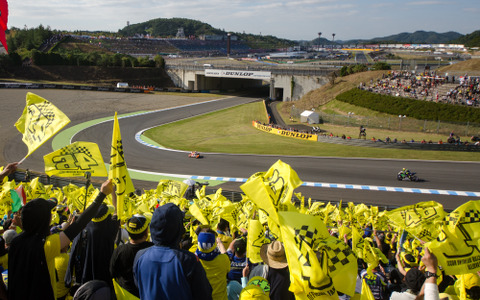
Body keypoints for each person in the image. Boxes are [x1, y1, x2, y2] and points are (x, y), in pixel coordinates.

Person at [8, 179, 113, 300]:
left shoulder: (16, 242)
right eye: (49, 213)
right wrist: (101, 195)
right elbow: (79, 224)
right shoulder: (46, 246)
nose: (52, 215)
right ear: (43, 222)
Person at [133, 203, 212, 300]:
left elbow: (139, 287)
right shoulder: (188, 260)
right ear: (177, 228)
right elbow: (204, 295)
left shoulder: (140, 256)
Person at [65, 200, 120, 287]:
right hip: (104, 280)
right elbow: (117, 214)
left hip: (85, 279)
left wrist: (68, 278)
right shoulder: (110, 230)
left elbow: (73, 251)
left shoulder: (82, 229)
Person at [110, 214, 153, 298]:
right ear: (146, 231)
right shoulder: (153, 249)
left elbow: (112, 272)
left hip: (125, 295)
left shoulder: (119, 250)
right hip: (147, 294)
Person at [196, 228, 230, 300]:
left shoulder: (193, 260)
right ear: (214, 244)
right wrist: (220, 244)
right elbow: (226, 256)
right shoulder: (223, 259)